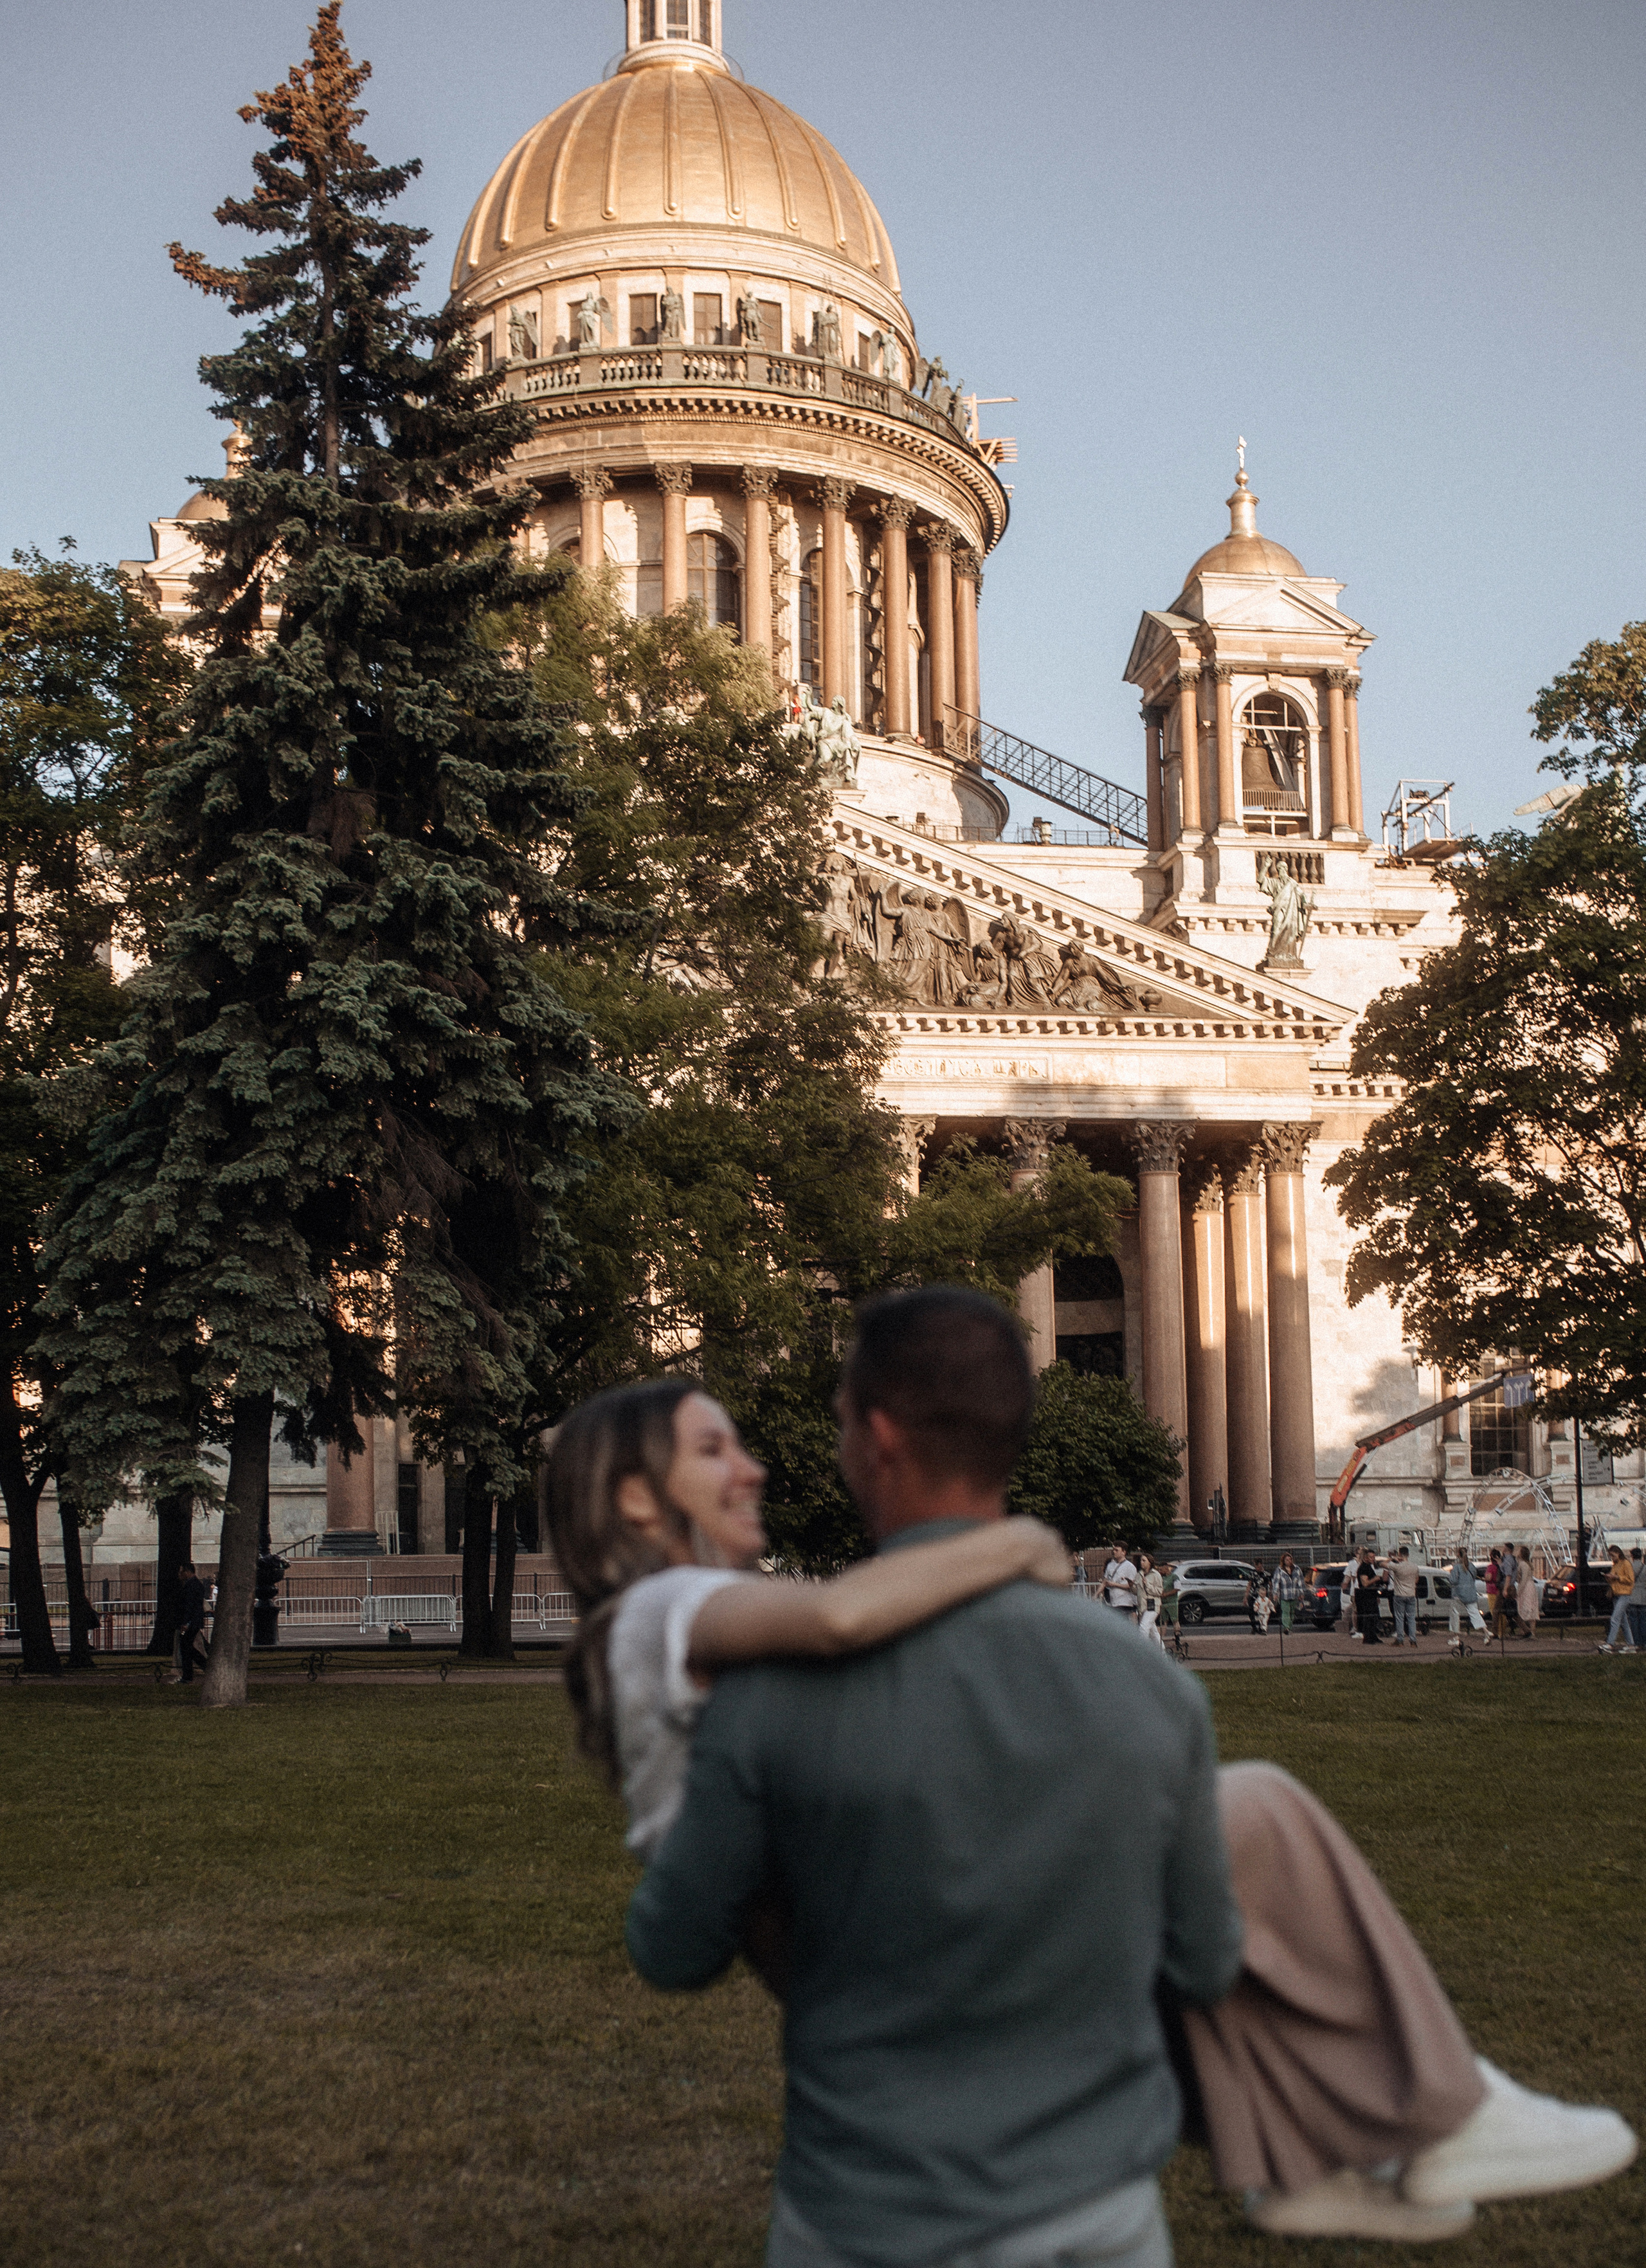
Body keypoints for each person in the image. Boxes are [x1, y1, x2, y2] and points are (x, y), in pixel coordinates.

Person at [555, 1301, 1636, 2253]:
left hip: (846, 2029)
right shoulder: (670, 1616)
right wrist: (1026, 1545)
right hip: (811, 1918)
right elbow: (841, 1616)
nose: (754, 1465)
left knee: (1165, 1858)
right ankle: (1419, 2110)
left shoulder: (709, 1655)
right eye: (713, 1450)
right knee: (1240, 1818)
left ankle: (1351, 2141)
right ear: (640, 1502)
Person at [1447, 1546, 1487, 1651]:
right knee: (1475, 1614)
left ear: (1458, 1555)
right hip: (1471, 1594)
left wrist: (1451, 1574)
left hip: (1459, 1595)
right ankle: (1486, 1633)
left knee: (1455, 1614)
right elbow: (1473, 1578)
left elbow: (1453, 1581)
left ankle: (1456, 1637)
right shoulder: (1472, 1566)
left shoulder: (1456, 1567)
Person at [1598, 1547, 1636, 1653]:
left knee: (1615, 1619)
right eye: (1611, 1556)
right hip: (1617, 1594)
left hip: (1625, 1595)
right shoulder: (1616, 1565)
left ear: (1619, 1553)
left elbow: (1631, 1580)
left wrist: (1617, 1578)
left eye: (1613, 1556)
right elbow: (1615, 1579)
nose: (1612, 1558)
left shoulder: (1626, 1564)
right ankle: (1631, 1645)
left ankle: (1610, 1644)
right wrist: (1609, 1578)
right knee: (1624, 1622)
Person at [176, 1561, 208, 1684]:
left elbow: (190, 1605)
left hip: (192, 1621)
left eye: (181, 1571)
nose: (180, 1574)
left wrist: (186, 1622)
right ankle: (203, 1666)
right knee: (187, 1647)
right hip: (194, 1621)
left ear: (187, 1572)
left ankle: (190, 1674)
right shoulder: (194, 1584)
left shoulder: (192, 1585)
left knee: (186, 1647)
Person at [1388, 1547, 1420, 1647]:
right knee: (1411, 1618)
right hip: (1411, 1594)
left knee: (1399, 1617)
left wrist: (1392, 1559)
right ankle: (1413, 1640)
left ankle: (1400, 1640)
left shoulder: (1398, 1567)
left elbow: (1381, 1564)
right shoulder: (1415, 1567)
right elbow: (1416, 1580)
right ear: (1408, 1555)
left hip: (1399, 1594)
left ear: (1399, 1554)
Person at [1354, 1552, 1385, 1644]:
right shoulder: (1363, 1568)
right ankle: (1368, 1638)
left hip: (1372, 1595)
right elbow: (1365, 1583)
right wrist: (1375, 1579)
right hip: (1365, 1597)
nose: (1373, 1559)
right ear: (1366, 1558)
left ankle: (1373, 1636)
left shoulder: (1369, 1567)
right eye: (1371, 1557)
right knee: (1368, 1618)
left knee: (1374, 1617)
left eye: (1374, 1557)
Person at [1103, 1543, 1139, 1618]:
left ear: (1124, 1552)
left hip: (1124, 1601)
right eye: (1113, 1550)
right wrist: (1096, 1594)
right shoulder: (1110, 1565)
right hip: (1113, 1601)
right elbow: (1105, 1582)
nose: (1114, 1552)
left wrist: (1114, 1585)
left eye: (1117, 1550)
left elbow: (1131, 1586)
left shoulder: (1130, 1567)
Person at [1271, 1554, 1303, 1635]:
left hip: (1294, 1594)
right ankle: (1286, 1628)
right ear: (1284, 1561)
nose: (1289, 1561)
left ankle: (1290, 1627)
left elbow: (1300, 1582)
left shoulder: (1297, 1569)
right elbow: (1276, 1582)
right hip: (1284, 1595)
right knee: (1286, 1611)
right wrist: (1275, 1593)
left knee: (1292, 1612)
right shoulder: (1280, 1570)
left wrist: (1301, 1593)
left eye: (1290, 1559)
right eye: (1287, 1560)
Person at [1137, 1554, 1164, 1646]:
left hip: (1153, 1604)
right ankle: (1163, 1653)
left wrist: (1148, 1585)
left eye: (1144, 1560)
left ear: (1150, 1562)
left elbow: (1159, 1591)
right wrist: (1132, 1585)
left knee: (1143, 1628)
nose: (1142, 1563)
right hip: (1143, 1605)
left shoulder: (1156, 1575)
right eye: (1141, 1560)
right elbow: (1136, 1591)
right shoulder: (1139, 1574)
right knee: (1153, 1632)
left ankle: (1143, 1651)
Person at [1514, 1547, 1540, 1640]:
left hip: (1526, 1588)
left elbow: (1523, 1579)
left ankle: (1530, 1632)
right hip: (1529, 1586)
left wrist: (1519, 1591)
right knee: (1528, 1608)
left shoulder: (1523, 1565)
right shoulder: (1525, 1564)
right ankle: (1528, 1631)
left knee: (1527, 1607)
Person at [1627, 1547, 1646, 1652]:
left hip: (1632, 1597)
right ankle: (1645, 1642)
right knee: (1644, 1621)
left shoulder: (1630, 1568)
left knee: (1634, 1622)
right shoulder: (1645, 1568)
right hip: (1644, 1598)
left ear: (1632, 1556)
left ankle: (1637, 1642)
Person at [1245, 1566, 1272, 1635]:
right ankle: (1254, 1627)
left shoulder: (1266, 1574)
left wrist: (1270, 1594)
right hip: (1254, 1595)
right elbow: (1249, 1585)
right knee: (1251, 1611)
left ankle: (1261, 1628)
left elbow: (1270, 1584)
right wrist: (1246, 1596)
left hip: (1262, 1596)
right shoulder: (1253, 1574)